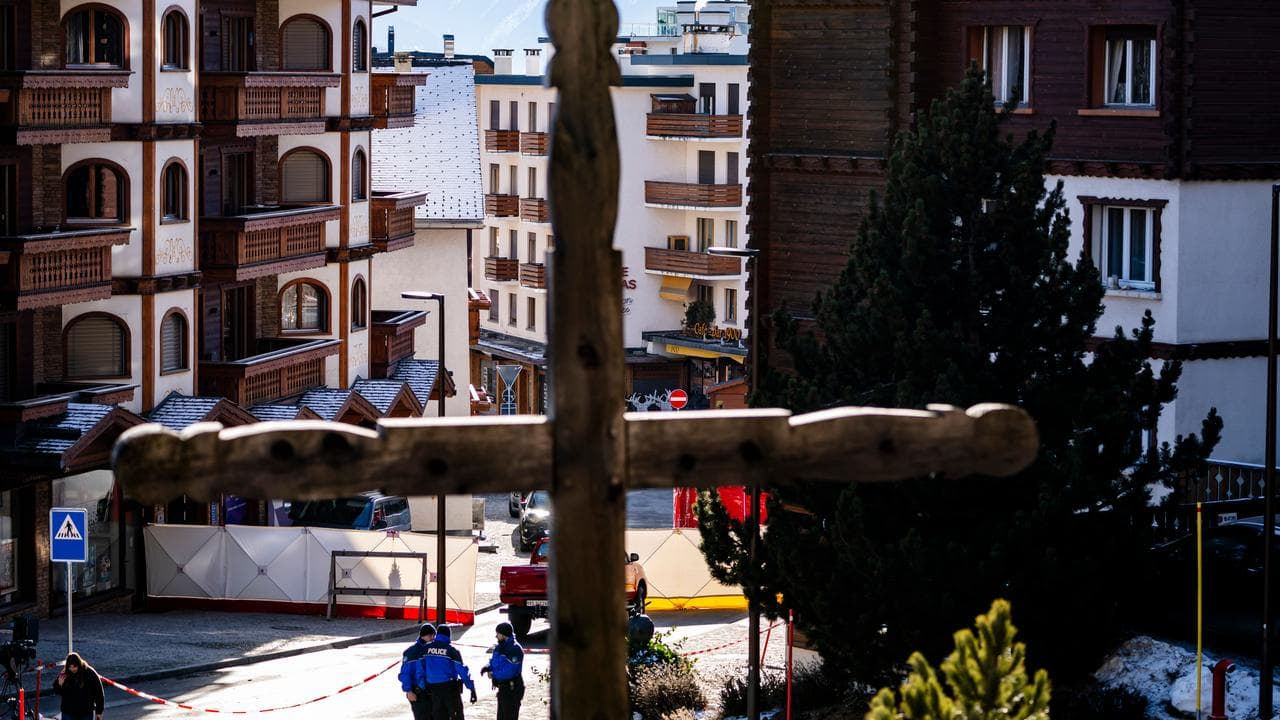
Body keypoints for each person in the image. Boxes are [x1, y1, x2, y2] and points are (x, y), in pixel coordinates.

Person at [403, 623, 476, 720]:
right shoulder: (451, 650)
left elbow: (420, 671)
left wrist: (423, 687)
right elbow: (462, 671)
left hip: (432, 692)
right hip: (448, 690)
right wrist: (471, 688)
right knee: (455, 715)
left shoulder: (425, 649)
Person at [480, 622, 525, 720]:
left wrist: (494, 674)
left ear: (504, 635)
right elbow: (495, 661)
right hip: (503, 689)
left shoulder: (514, 649)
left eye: (498, 634)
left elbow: (510, 671)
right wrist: (488, 667)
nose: (496, 636)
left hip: (512, 689)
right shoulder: (499, 647)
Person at [399, 624, 437, 720]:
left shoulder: (431, 648)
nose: (433, 638)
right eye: (432, 636)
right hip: (418, 693)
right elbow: (405, 674)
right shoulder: (412, 652)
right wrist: (409, 691)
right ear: (428, 635)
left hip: (431, 691)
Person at [53, 652, 104, 720]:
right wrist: (59, 685)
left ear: (79, 664)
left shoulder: (90, 673)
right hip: (69, 712)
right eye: (70, 667)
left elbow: (99, 693)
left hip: (86, 712)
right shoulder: (65, 673)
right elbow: (58, 691)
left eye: (74, 666)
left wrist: (99, 711)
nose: (72, 669)